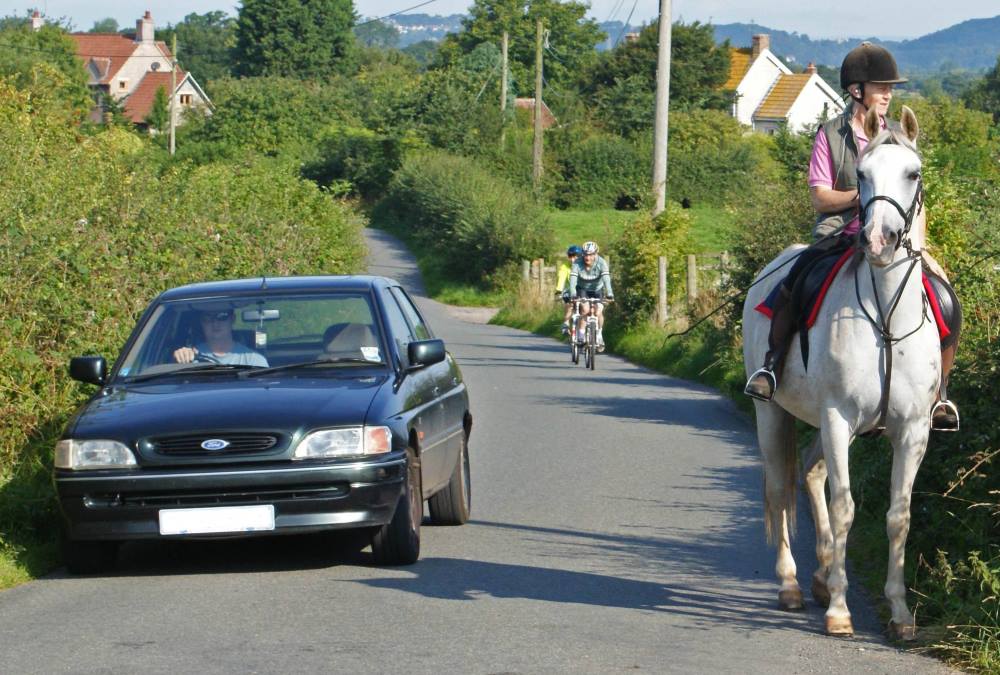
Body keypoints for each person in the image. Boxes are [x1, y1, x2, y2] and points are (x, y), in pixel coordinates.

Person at [743, 41, 959, 431]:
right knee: (797, 278)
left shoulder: (899, 136)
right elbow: (820, 196)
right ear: (857, 90)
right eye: (881, 86)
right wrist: (865, 198)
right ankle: (772, 367)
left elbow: (916, 194)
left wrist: (917, 243)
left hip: (896, 241)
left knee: (944, 296)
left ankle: (940, 393)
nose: (888, 94)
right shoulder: (830, 134)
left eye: (890, 87)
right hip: (840, 232)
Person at [173, 309, 268, 367]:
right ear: (201, 322)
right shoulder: (189, 358)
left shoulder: (254, 361)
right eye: (208, 318)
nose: (215, 323)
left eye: (222, 316)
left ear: (232, 319)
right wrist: (180, 358)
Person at [568, 241, 614, 351]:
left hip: (597, 289)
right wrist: (573, 294)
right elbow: (573, 281)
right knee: (585, 309)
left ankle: (599, 334)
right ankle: (581, 335)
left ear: (595, 254)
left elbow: (606, 279)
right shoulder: (577, 263)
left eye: (590, 254)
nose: (587, 257)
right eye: (585, 254)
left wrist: (610, 293)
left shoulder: (601, 263)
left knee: (598, 312)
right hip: (582, 289)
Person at [556, 245, 582, 334]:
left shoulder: (583, 265)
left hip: (583, 289)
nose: (572, 259)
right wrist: (559, 290)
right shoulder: (565, 266)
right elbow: (561, 278)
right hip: (571, 289)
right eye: (570, 256)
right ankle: (566, 323)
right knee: (569, 303)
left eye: (574, 256)